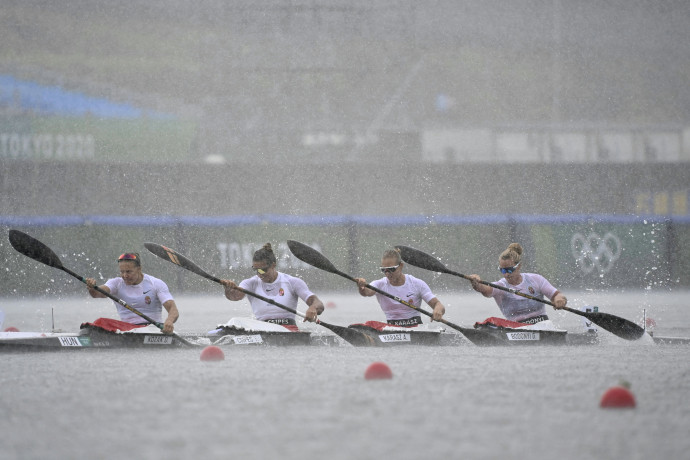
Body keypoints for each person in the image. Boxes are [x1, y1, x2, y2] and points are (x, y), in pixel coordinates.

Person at [219, 243, 324, 331]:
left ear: (273, 265)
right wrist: (229, 289)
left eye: (262, 270)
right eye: (255, 270)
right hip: (262, 329)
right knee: (235, 321)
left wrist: (313, 308)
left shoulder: (292, 282)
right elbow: (235, 296)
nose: (259, 274)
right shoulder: (250, 283)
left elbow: (318, 303)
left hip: (288, 329)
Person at [468, 243, 567, 325]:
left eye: (509, 270)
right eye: (502, 270)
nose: (506, 274)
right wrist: (476, 283)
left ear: (518, 266)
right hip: (516, 328)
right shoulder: (501, 286)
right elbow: (485, 289)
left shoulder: (535, 279)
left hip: (543, 325)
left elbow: (557, 295)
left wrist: (559, 300)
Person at [85, 252, 179, 333]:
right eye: (122, 272)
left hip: (152, 328)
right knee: (100, 322)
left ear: (139, 269)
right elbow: (97, 293)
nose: (125, 275)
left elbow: (173, 309)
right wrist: (92, 288)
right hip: (127, 329)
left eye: (129, 271)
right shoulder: (116, 283)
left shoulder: (155, 283)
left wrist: (169, 321)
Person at [355, 248, 446, 326]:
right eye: (384, 270)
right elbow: (366, 292)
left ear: (401, 266)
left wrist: (437, 311)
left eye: (391, 269)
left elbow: (438, 304)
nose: (387, 273)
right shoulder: (379, 284)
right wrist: (361, 286)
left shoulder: (416, 284)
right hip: (391, 328)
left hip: (415, 329)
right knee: (370, 323)